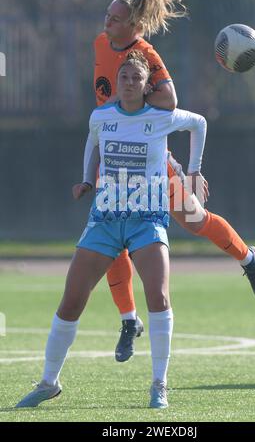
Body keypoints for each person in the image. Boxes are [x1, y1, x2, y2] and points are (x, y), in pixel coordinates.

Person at [92, 0, 255, 364]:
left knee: (194, 220)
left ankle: (248, 259)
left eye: (115, 17)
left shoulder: (145, 54)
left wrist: (187, 165)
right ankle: (128, 320)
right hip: (115, 163)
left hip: (154, 167)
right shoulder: (100, 44)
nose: (107, 21)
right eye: (107, 14)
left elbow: (170, 100)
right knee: (110, 236)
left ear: (134, 26)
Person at [15, 50, 208, 409]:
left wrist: (193, 172)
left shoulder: (161, 116)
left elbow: (199, 123)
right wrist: (87, 180)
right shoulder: (102, 116)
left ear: (147, 85)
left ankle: (159, 384)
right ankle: (48, 382)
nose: (130, 84)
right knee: (71, 300)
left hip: (146, 215)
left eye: (137, 79)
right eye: (124, 78)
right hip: (104, 217)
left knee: (158, 296)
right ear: (116, 83)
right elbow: (93, 142)